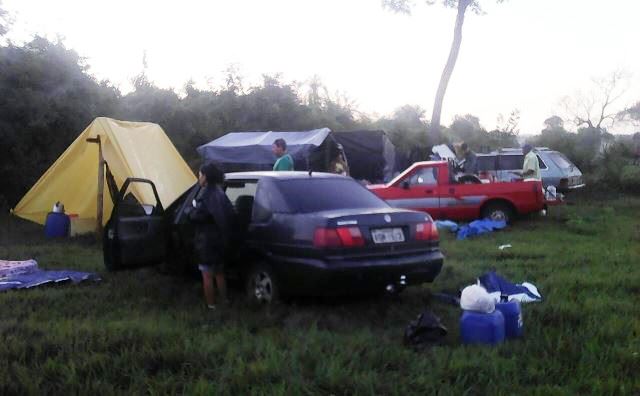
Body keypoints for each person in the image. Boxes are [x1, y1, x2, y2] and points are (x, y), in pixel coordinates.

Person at [189, 163, 235, 310]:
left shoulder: (205, 195)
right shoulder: (220, 192)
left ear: (205, 177)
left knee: (207, 275)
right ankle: (224, 301)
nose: (199, 178)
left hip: (207, 241)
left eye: (200, 175)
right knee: (219, 274)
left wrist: (192, 208)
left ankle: (211, 307)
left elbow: (197, 216)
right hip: (221, 239)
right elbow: (230, 213)